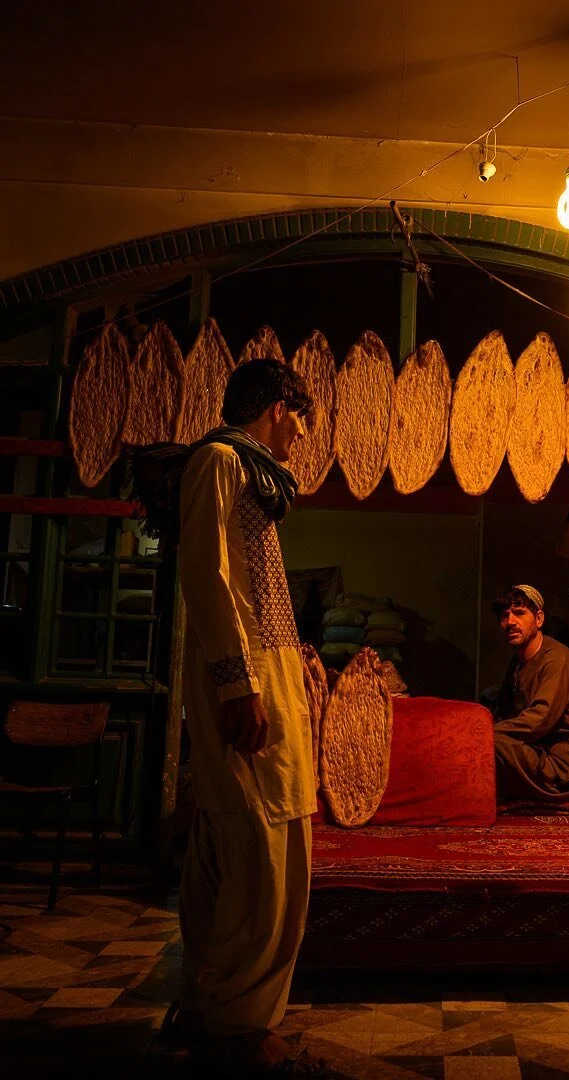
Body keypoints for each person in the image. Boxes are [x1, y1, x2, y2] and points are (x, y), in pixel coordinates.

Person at [153, 360, 323, 1076]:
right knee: (266, 840)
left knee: (233, 839)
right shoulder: (221, 459)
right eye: (302, 416)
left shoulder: (247, 470)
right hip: (247, 674)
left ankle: (205, 1001)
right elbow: (209, 575)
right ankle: (241, 1025)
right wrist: (237, 685)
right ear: (279, 406)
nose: (303, 434)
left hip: (268, 665)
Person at [491, 585, 569, 803]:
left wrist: (485, 733)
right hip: (539, 754)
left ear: (539, 619)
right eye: (504, 616)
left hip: (568, 768)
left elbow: (539, 720)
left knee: (492, 741)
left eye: (519, 613)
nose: (510, 622)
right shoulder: (517, 663)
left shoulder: (556, 659)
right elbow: (503, 714)